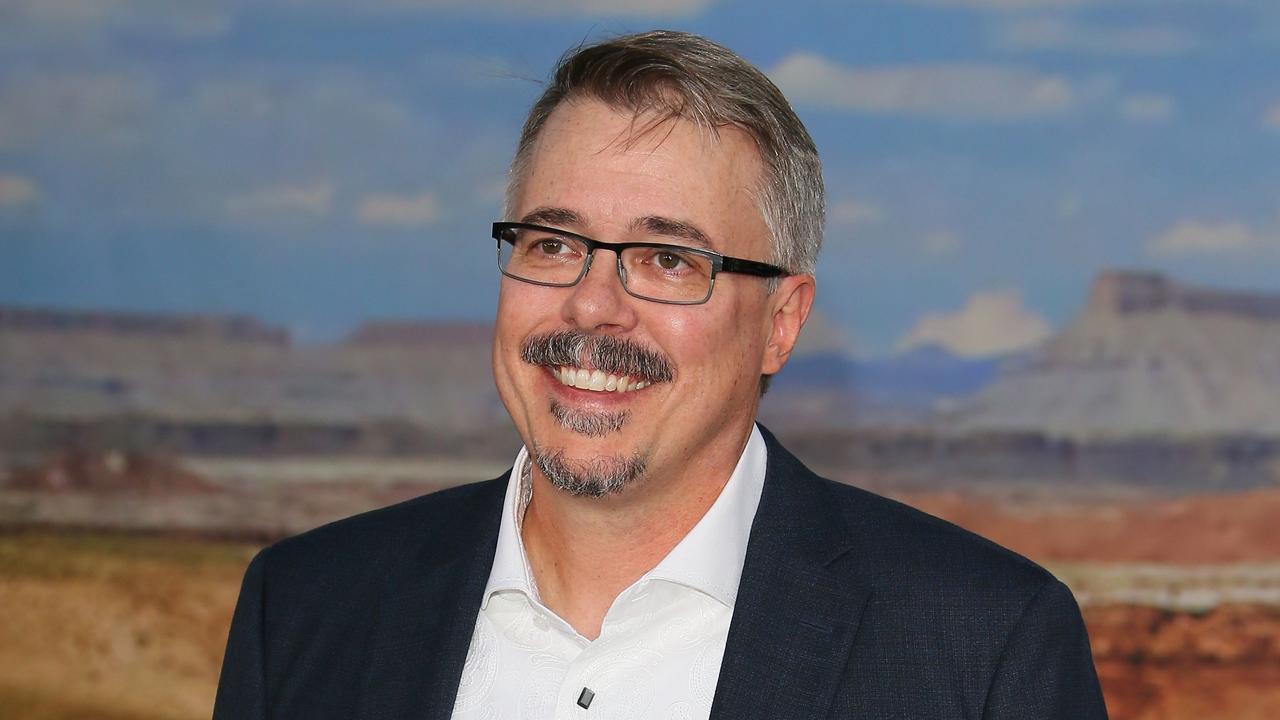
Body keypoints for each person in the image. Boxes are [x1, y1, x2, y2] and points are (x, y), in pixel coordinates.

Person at [213, 30, 1108, 719]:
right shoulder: (302, 611)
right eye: (553, 243)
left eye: (668, 260)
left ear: (781, 323)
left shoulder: (981, 652)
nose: (592, 307)